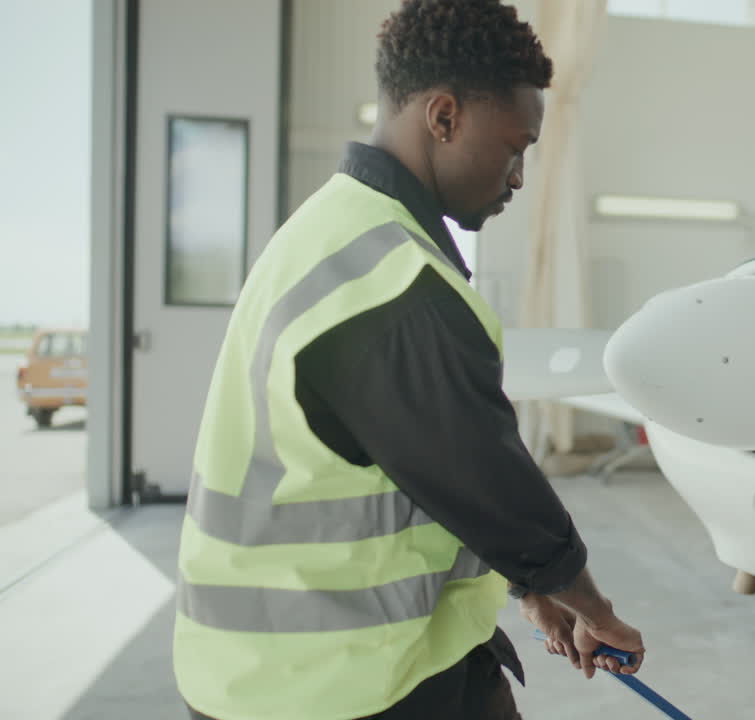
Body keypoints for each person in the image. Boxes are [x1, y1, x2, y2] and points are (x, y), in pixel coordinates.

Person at [172, 1, 644, 718]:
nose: (519, 177)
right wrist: (588, 604)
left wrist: (527, 589)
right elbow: (490, 486)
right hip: (334, 681)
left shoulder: (335, 230)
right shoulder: (393, 284)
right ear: (444, 117)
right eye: (516, 148)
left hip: (255, 670)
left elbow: (417, 469)